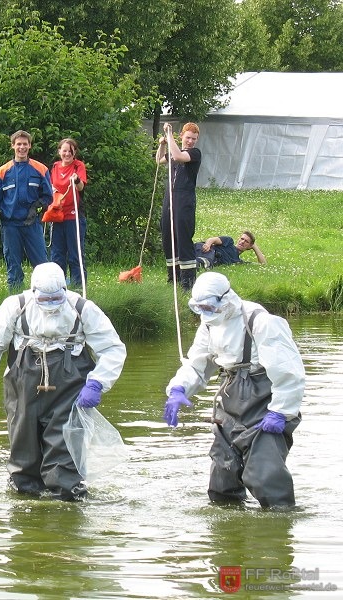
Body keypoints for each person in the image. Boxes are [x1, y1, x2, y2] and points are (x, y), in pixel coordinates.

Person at [0, 262, 127, 501]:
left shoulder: (82, 308)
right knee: (23, 460)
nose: (51, 304)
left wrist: (96, 383)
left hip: (70, 391)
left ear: (65, 288)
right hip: (22, 390)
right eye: (44, 299)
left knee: (65, 457)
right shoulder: (15, 307)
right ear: (32, 291)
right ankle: (27, 511)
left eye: (56, 298)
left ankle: (67, 510)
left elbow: (112, 348)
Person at [163, 272, 305, 509]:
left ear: (225, 298)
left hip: (263, 399)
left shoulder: (260, 321)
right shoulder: (209, 324)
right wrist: (179, 388)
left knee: (264, 473)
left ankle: (278, 528)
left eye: (209, 306)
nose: (205, 312)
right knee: (222, 476)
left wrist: (281, 411)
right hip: (229, 395)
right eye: (199, 308)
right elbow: (198, 364)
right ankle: (228, 537)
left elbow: (288, 370)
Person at [0, 130, 53, 290]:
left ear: (29, 146)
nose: (22, 147)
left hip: (32, 225)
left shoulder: (41, 169)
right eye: (19, 144)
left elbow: (48, 197)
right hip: (10, 226)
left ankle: (46, 297)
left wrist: (35, 208)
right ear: (13, 146)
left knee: (42, 266)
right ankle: (16, 304)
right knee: (13, 267)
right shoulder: (2, 171)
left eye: (25, 144)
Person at [157, 122, 201, 291]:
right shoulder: (175, 151)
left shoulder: (194, 153)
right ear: (182, 136)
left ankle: (187, 282)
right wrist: (162, 145)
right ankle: (173, 278)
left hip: (185, 202)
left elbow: (178, 156)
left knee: (183, 239)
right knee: (168, 237)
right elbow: (158, 160)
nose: (190, 141)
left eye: (194, 139)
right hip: (169, 200)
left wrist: (169, 135)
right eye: (188, 137)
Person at [49, 138, 88, 287]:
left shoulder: (78, 166)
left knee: (75, 254)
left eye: (70, 151)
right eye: (64, 150)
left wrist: (76, 179)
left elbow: (81, 188)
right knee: (57, 255)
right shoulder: (55, 167)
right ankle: (59, 286)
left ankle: (78, 287)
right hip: (57, 216)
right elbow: (51, 187)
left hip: (74, 216)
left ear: (75, 153)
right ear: (59, 152)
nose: (67, 154)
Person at [195, 231, 267, 268]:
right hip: (205, 251)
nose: (242, 242)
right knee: (207, 261)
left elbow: (263, 264)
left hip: (210, 260)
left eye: (246, 241)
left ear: (249, 246)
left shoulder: (238, 262)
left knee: (207, 263)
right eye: (242, 239)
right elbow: (213, 239)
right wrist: (207, 244)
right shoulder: (229, 241)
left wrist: (255, 247)